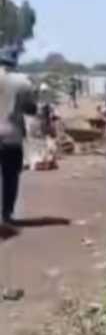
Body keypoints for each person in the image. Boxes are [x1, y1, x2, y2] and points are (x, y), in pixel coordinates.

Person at [0, 48, 36, 224]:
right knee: (10, 177)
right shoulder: (23, 82)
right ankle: (6, 214)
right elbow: (31, 109)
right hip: (11, 135)